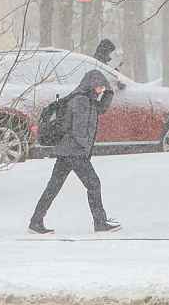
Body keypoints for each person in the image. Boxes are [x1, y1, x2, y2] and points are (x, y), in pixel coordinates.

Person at [29, 70, 120, 234]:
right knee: (93, 184)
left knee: (53, 187)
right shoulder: (81, 101)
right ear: (91, 84)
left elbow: (100, 109)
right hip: (74, 152)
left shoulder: (87, 99)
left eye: (103, 87)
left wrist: (109, 92)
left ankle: (35, 222)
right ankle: (100, 223)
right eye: (99, 86)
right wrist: (84, 149)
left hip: (67, 151)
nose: (101, 90)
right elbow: (79, 130)